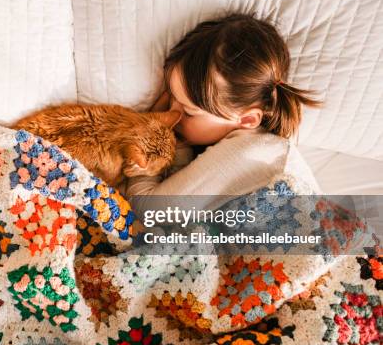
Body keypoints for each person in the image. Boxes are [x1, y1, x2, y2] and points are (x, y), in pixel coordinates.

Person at [126, 13, 322, 206]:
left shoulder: (250, 153)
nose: (171, 115)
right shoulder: (261, 146)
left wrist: (148, 130)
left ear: (247, 120)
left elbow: (147, 207)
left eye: (188, 112)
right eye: (170, 95)